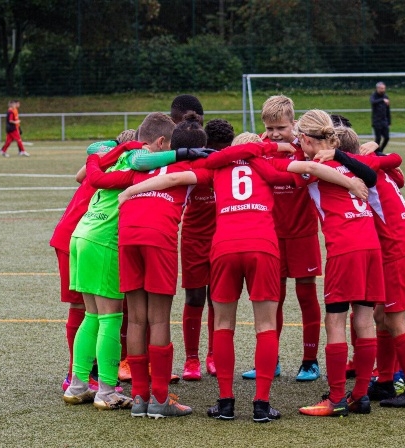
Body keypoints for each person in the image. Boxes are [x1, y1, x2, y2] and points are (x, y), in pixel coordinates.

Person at [117, 135, 369, 423]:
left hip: (225, 246)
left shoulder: (218, 167)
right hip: (263, 245)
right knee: (265, 325)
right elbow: (308, 168)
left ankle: (225, 402)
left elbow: (173, 179)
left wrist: (131, 191)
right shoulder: (267, 163)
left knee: (224, 324)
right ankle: (261, 404)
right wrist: (349, 180)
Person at [84, 112, 213, 419]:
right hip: (158, 237)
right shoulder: (193, 166)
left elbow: (93, 168)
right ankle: (160, 399)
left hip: (127, 236)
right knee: (158, 320)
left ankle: (140, 397)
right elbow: (177, 179)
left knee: (136, 321)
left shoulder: (138, 164)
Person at [327, 127, 405, 408]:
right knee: (381, 316)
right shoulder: (373, 167)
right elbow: (396, 167)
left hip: (398, 251)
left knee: (395, 321)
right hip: (404, 246)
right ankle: (385, 381)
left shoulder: (361, 169)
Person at [290, 109, 384, 418]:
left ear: (306, 139)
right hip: (370, 244)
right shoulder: (347, 162)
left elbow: (295, 167)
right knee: (364, 320)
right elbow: (369, 174)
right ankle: (360, 395)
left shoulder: (315, 165)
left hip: (345, 248)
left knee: (335, 321)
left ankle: (336, 398)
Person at [242, 95, 323, 383]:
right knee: (272, 299)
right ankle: (270, 360)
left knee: (306, 295)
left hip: (303, 233)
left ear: (294, 123)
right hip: (270, 236)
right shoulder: (260, 148)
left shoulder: (306, 148)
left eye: (281, 128)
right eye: (270, 128)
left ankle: (310, 361)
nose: (276, 134)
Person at [50, 130, 137, 395]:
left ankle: (92, 372)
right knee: (85, 308)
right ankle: (77, 375)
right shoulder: (121, 168)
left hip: (78, 235)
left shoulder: (105, 164)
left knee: (98, 309)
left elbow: (80, 175)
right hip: (82, 237)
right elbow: (82, 176)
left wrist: (111, 149)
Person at [180, 118, 235, 381]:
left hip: (223, 238)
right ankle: (192, 358)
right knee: (194, 297)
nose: (220, 155)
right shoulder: (193, 167)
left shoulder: (233, 165)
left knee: (218, 297)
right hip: (193, 238)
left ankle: (214, 355)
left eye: (226, 149)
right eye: (215, 149)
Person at [370, 82, 391, 154]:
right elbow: (373, 102)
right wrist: (382, 100)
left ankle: (380, 151)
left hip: (384, 121)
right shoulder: (374, 96)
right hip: (377, 121)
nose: (383, 90)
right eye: (381, 88)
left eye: (384, 88)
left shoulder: (386, 97)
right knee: (378, 138)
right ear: (377, 88)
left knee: (387, 137)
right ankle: (376, 152)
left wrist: (389, 121)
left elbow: (388, 110)